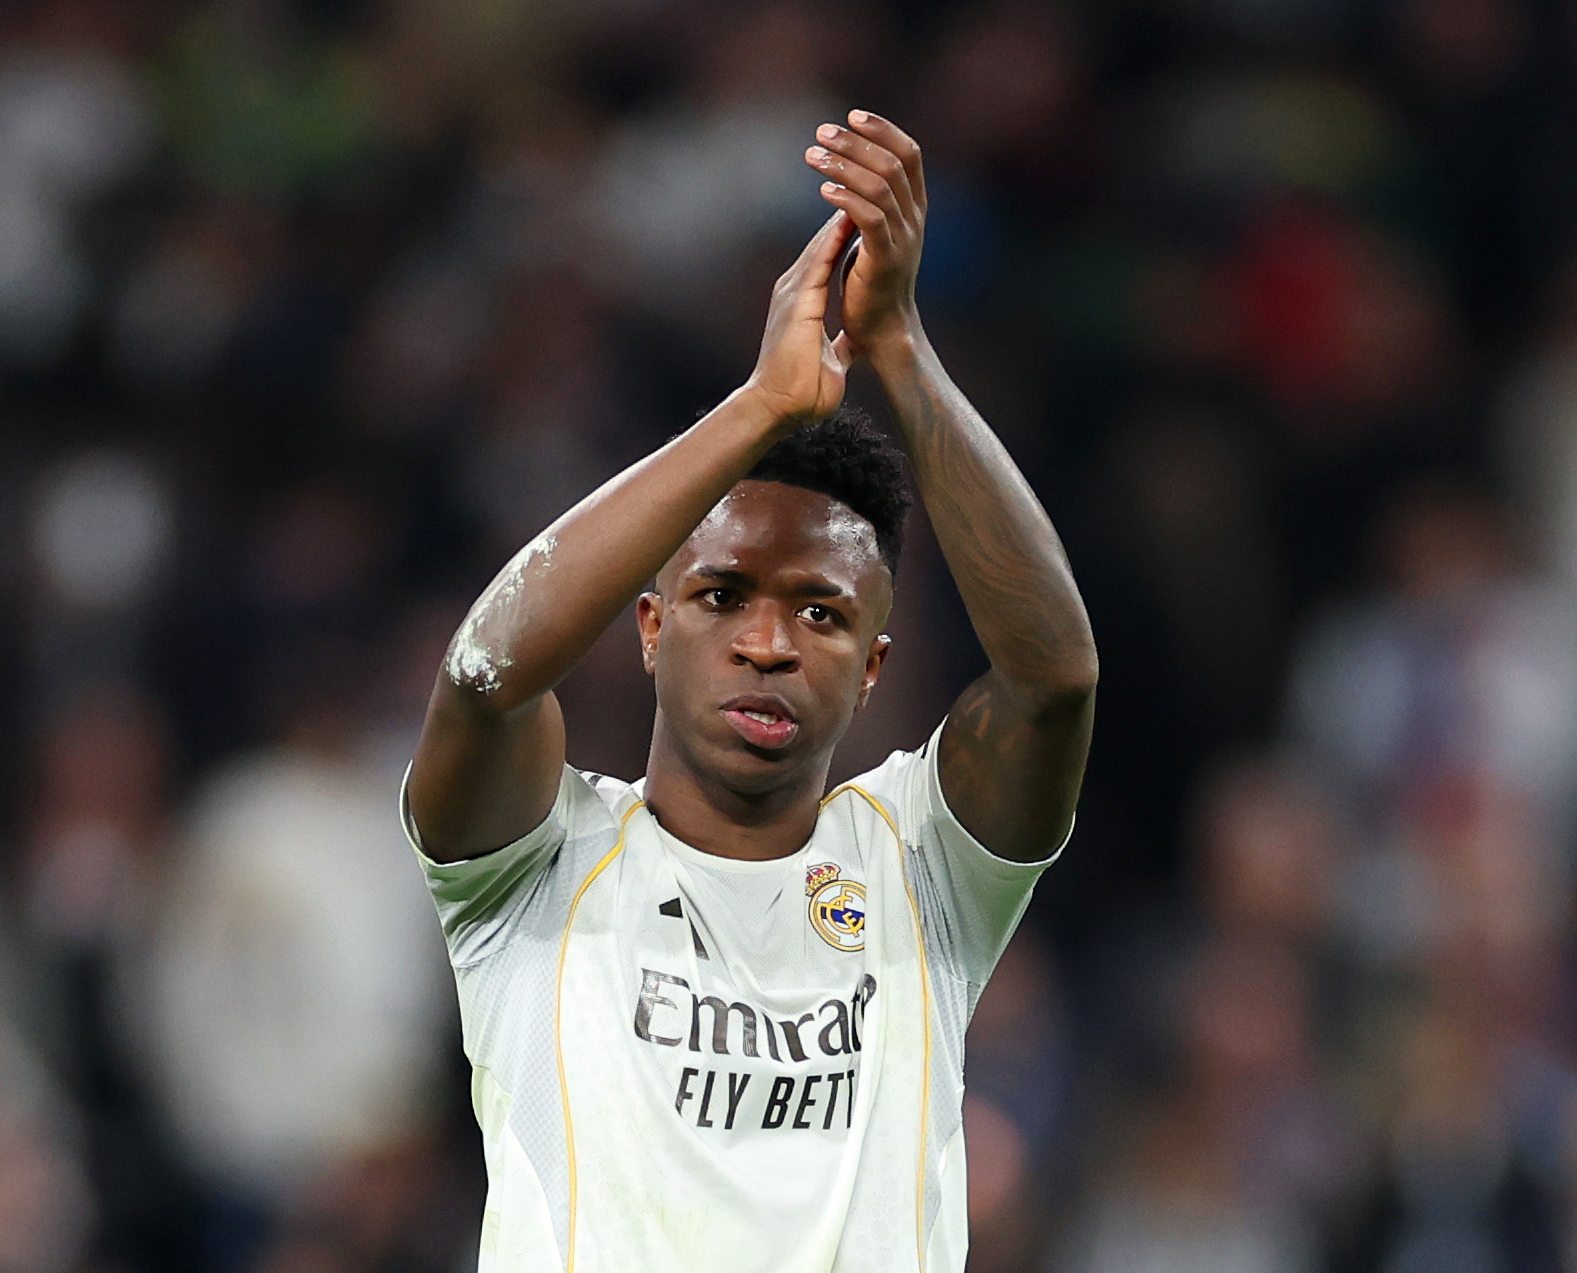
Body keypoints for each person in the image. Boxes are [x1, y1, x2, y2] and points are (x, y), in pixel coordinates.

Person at [403, 112, 1097, 1273]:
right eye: (722, 595)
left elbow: (1053, 678)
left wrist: (897, 346)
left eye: (820, 613)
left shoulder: (922, 866)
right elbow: (484, 681)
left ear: (873, 667)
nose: (768, 642)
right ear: (649, 625)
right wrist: (759, 407)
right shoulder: (536, 864)